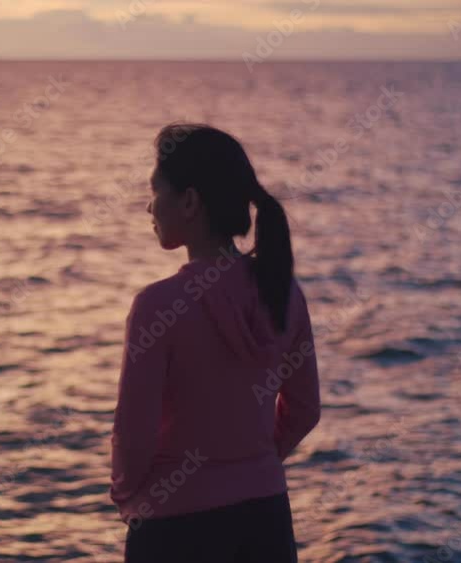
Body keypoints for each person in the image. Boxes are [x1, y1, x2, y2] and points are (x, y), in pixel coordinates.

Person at [109, 123, 321, 562]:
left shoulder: (157, 306)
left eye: (155, 191)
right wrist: (252, 465)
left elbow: (135, 437)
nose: (149, 206)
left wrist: (128, 495)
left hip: (175, 528)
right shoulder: (283, 292)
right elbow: (304, 410)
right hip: (267, 522)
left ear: (189, 201)